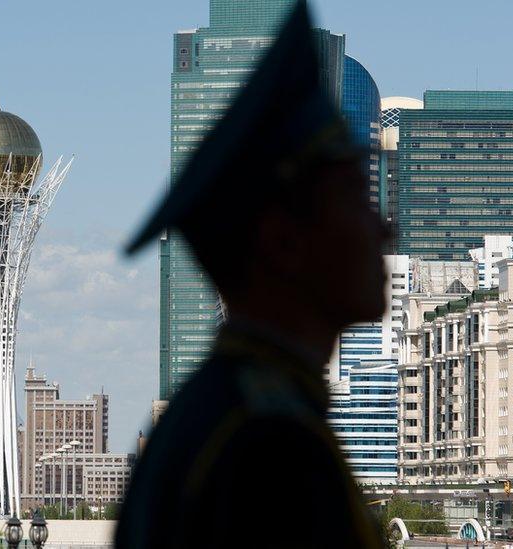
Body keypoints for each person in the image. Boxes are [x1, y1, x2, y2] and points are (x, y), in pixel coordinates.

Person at [114, 1, 387, 548]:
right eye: (359, 200)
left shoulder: (223, 417)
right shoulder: (268, 446)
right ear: (284, 240)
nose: (385, 231)